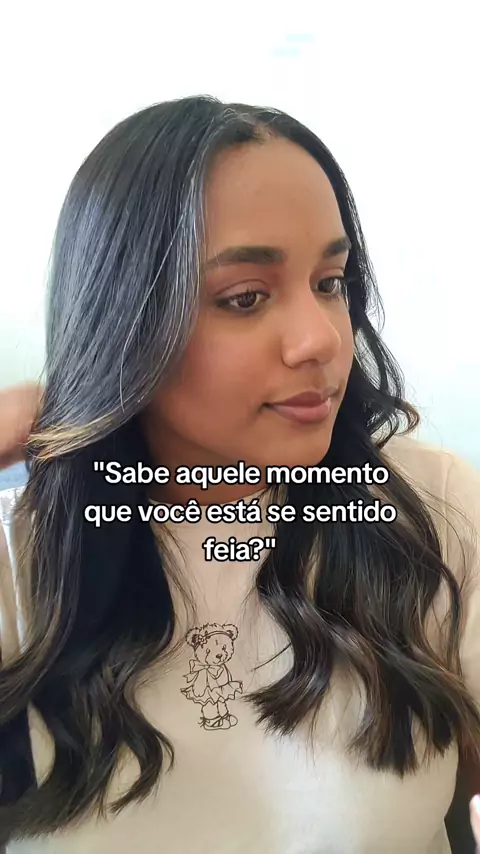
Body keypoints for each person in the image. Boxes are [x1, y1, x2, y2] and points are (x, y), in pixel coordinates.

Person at [0, 95, 479, 854]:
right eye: (246, 298)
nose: (321, 339)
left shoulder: (429, 506)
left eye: (330, 282)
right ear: (123, 323)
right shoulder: (20, 561)